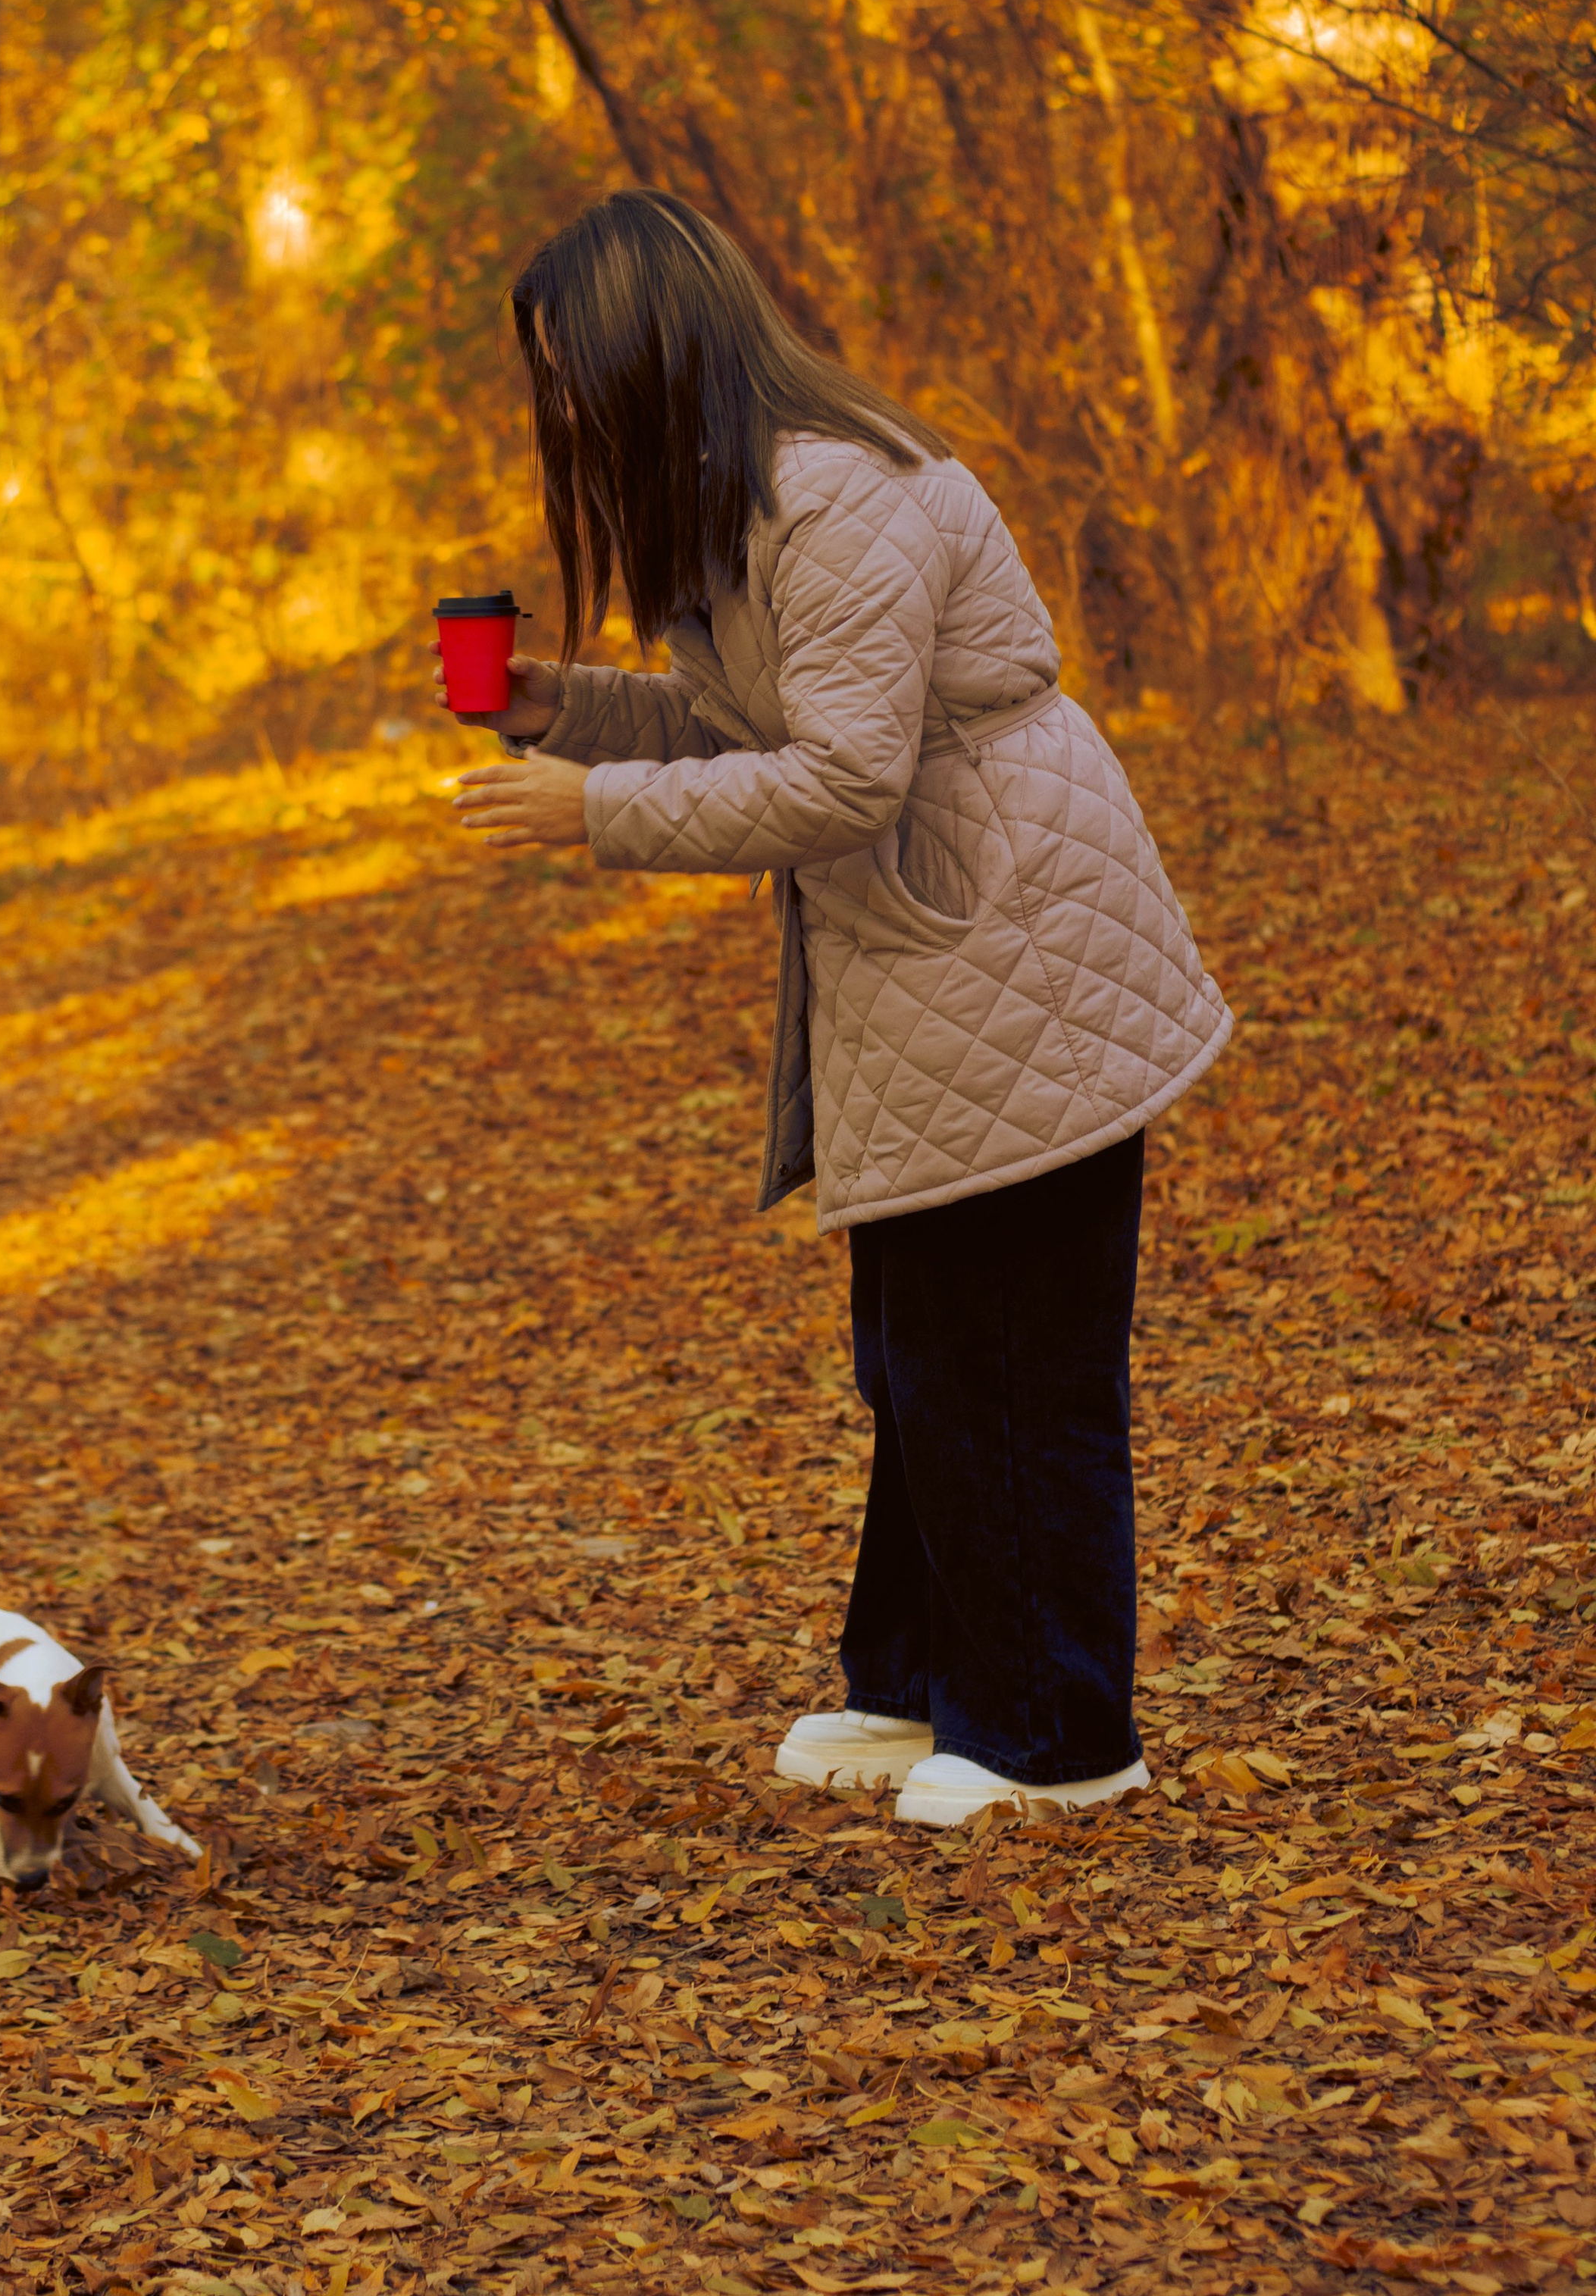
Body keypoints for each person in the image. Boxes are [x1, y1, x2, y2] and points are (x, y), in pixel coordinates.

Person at [440, 189, 1231, 1828]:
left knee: (1006, 1359)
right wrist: (566, 713)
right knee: (917, 1351)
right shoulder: (743, 500)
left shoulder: (833, 495)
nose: (565, 406)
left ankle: (1059, 1735)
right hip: (932, 960)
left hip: (1009, 938)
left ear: (657, 344)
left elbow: (843, 777)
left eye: (573, 367)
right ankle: (922, 1687)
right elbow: (755, 714)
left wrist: (589, 819)